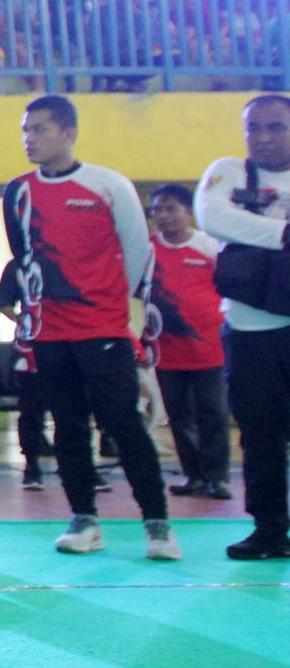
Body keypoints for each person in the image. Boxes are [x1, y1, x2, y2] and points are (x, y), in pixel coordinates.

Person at [0, 94, 174, 561]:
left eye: (40, 129)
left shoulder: (108, 185)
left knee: (123, 423)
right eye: (25, 130)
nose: (29, 139)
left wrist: (117, 309)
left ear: (68, 133)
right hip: (50, 335)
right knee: (69, 430)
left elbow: (139, 256)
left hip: (104, 331)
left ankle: (157, 526)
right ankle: (84, 521)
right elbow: (24, 257)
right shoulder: (18, 191)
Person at [194, 95, 290, 559]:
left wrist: (251, 227)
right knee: (259, 435)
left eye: (276, 127)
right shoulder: (229, 172)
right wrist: (283, 233)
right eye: (255, 128)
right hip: (251, 333)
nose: (264, 137)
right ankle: (269, 530)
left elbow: (236, 224)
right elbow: (213, 217)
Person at [145, 184, 229, 501]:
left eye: (170, 209)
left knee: (213, 413)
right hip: (167, 349)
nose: (163, 216)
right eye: (157, 210)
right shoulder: (147, 249)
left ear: (188, 213)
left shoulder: (209, 246)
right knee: (179, 416)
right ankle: (193, 476)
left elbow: (228, 287)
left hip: (210, 346)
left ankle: (217, 479)